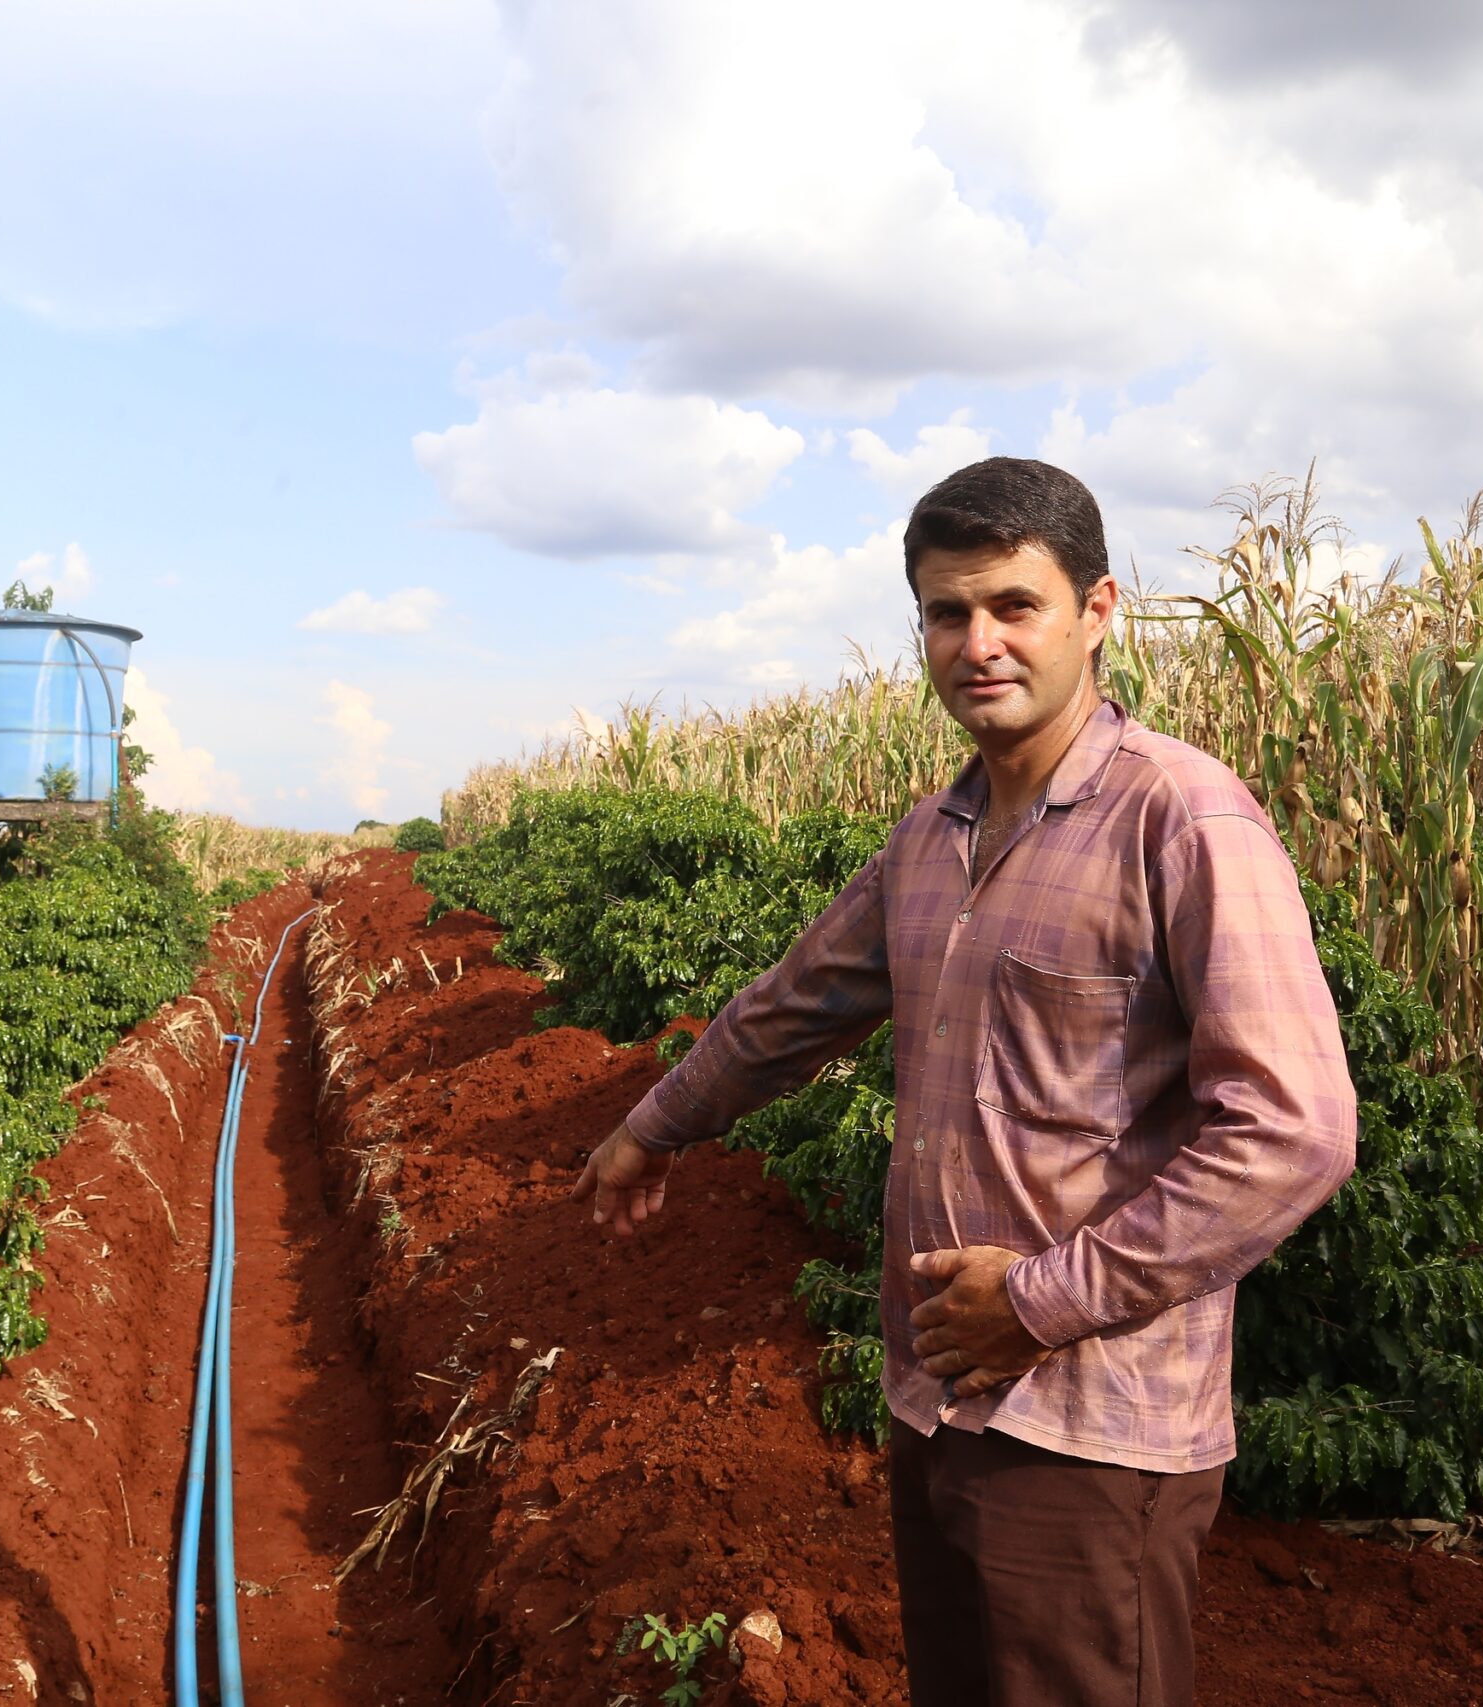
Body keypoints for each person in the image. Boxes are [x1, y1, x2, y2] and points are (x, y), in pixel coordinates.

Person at [569, 457, 1358, 1707]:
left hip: (1087, 1427)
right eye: (946, 613)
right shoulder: (931, 841)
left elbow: (1293, 1133)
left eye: (1012, 606)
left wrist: (1043, 1300)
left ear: (1099, 613)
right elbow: (791, 1007)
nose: (976, 643)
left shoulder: (1183, 821)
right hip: (939, 1400)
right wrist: (652, 1129)